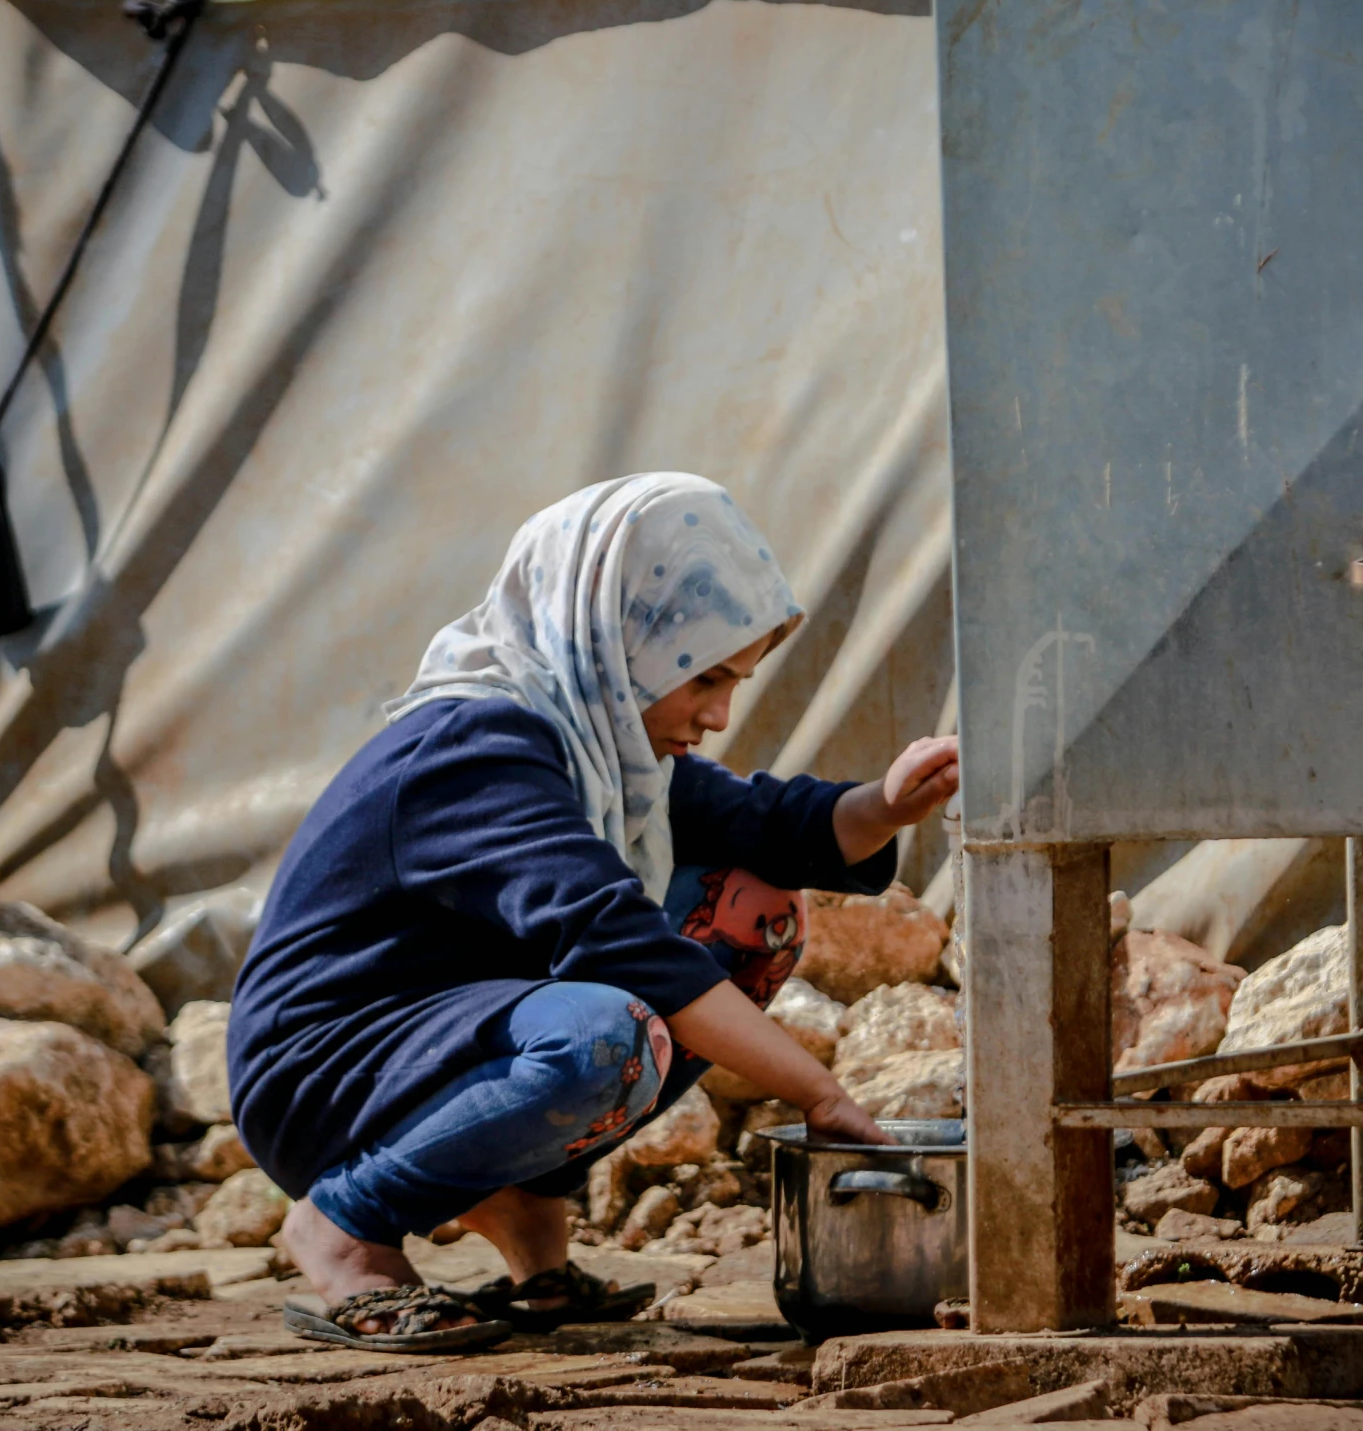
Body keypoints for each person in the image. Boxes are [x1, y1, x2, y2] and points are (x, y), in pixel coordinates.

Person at [228, 473, 960, 1348]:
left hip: (447, 1034)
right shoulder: (474, 747)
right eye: (705, 678)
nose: (721, 713)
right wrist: (821, 1093)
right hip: (327, 1062)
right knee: (609, 1036)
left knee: (754, 905)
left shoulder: (603, 744)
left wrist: (887, 801)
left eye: (738, 680)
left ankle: (524, 1208)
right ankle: (343, 1225)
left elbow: (761, 822)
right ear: (623, 642)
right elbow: (617, 940)